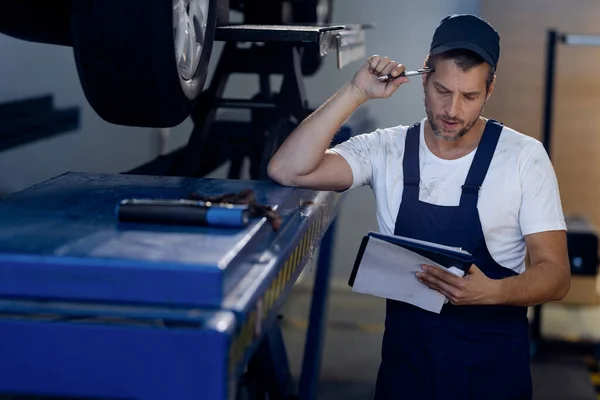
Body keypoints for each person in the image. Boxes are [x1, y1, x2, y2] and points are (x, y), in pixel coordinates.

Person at [268, 13, 570, 400]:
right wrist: (356, 91)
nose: (453, 109)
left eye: (470, 96)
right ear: (424, 76)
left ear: (489, 89)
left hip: (490, 377)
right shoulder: (385, 149)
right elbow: (285, 169)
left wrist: (487, 292)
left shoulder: (524, 157)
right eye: (442, 90)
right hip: (405, 373)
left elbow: (556, 275)